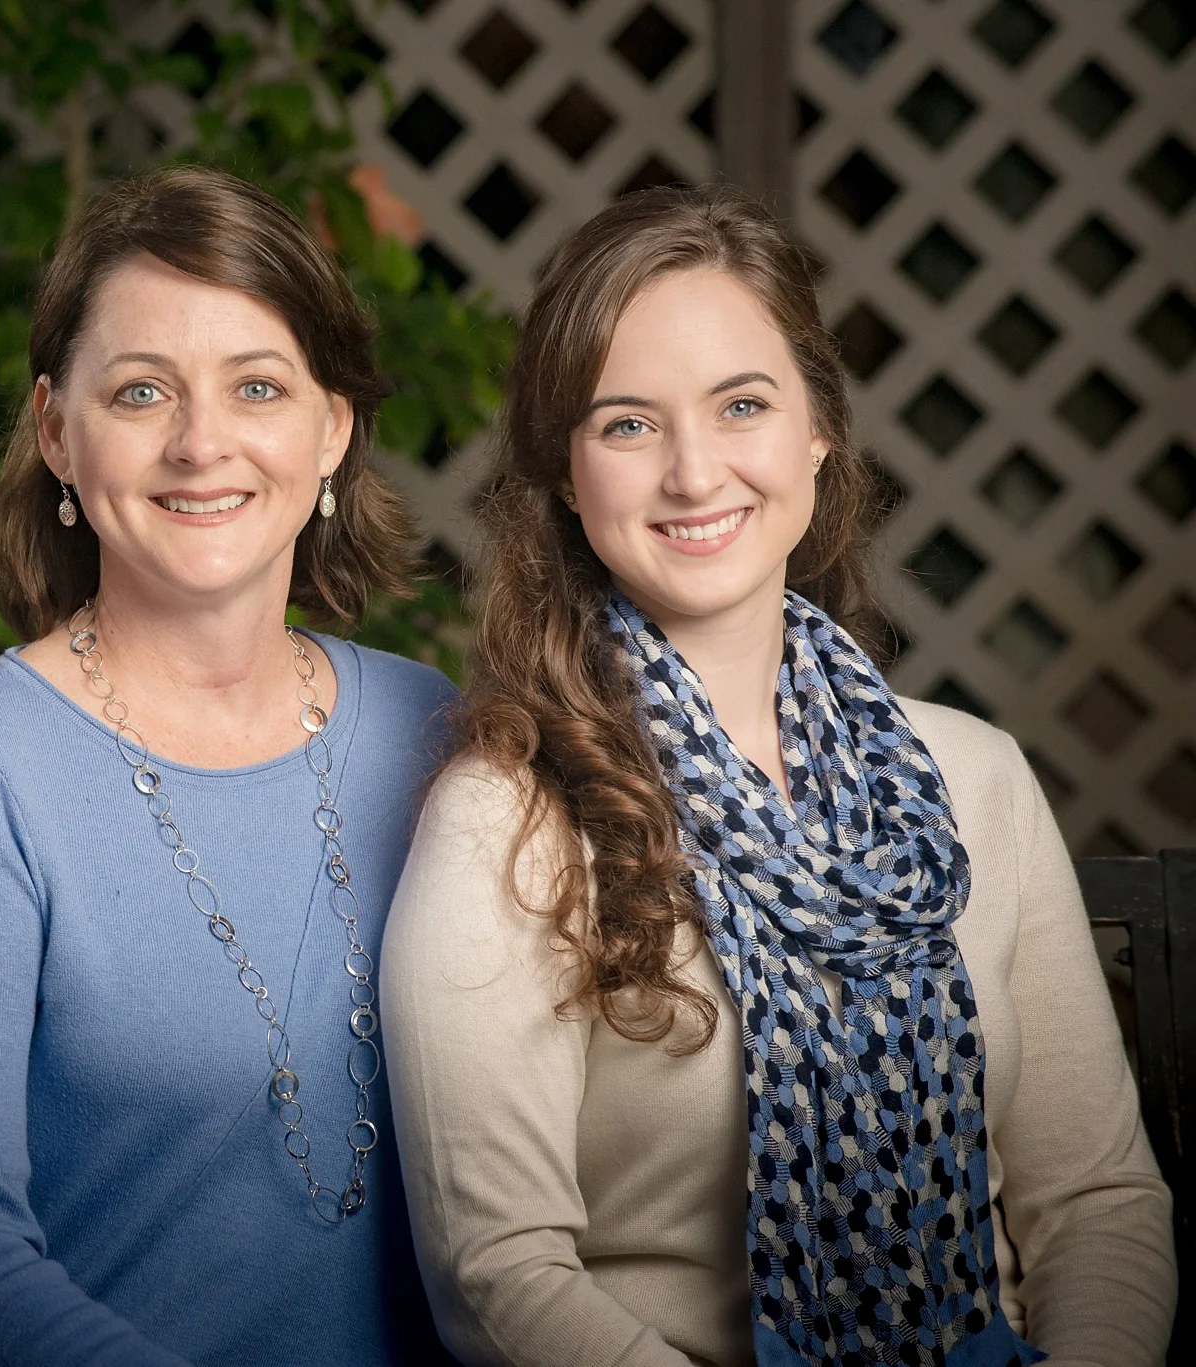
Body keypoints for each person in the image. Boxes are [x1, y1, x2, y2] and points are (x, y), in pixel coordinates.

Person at [382, 186, 1176, 1367]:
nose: (694, 472)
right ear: (562, 471)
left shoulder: (973, 778)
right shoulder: (508, 817)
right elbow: (497, 1274)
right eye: (626, 424)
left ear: (815, 429)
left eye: (739, 404)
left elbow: (1097, 1200)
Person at [0, 166, 458, 1366]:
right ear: (57, 432)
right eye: (138, 392)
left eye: (256, 386)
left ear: (330, 426)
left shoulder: (434, 731)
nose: (199, 443)